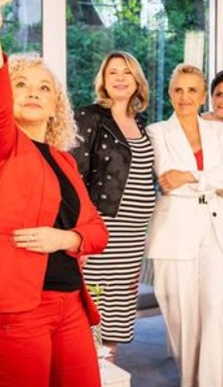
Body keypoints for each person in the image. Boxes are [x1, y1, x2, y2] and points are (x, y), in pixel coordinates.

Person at [0, 0, 108, 387]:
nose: (33, 92)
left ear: (57, 106)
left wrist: (65, 238)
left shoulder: (65, 162)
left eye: (44, 88)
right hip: (15, 307)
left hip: (70, 304)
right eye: (20, 85)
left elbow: (96, 232)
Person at [145, 63, 223, 387]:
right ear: (170, 93)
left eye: (192, 90)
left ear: (202, 96)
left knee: (215, 310)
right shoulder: (157, 132)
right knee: (181, 315)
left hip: (217, 229)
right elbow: (166, 179)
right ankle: (190, 381)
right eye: (178, 90)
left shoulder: (219, 131)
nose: (185, 96)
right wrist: (208, 181)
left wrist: (189, 176)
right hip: (175, 230)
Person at [71, 50, 155, 355]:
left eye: (126, 72)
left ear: (137, 80)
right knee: (91, 312)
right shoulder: (88, 117)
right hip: (102, 230)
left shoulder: (141, 124)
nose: (120, 78)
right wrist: (79, 234)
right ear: (103, 81)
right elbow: (74, 178)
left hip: (133, 237)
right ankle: (89, 373)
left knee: (117, 316)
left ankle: (110, 372)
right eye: (113, 72)